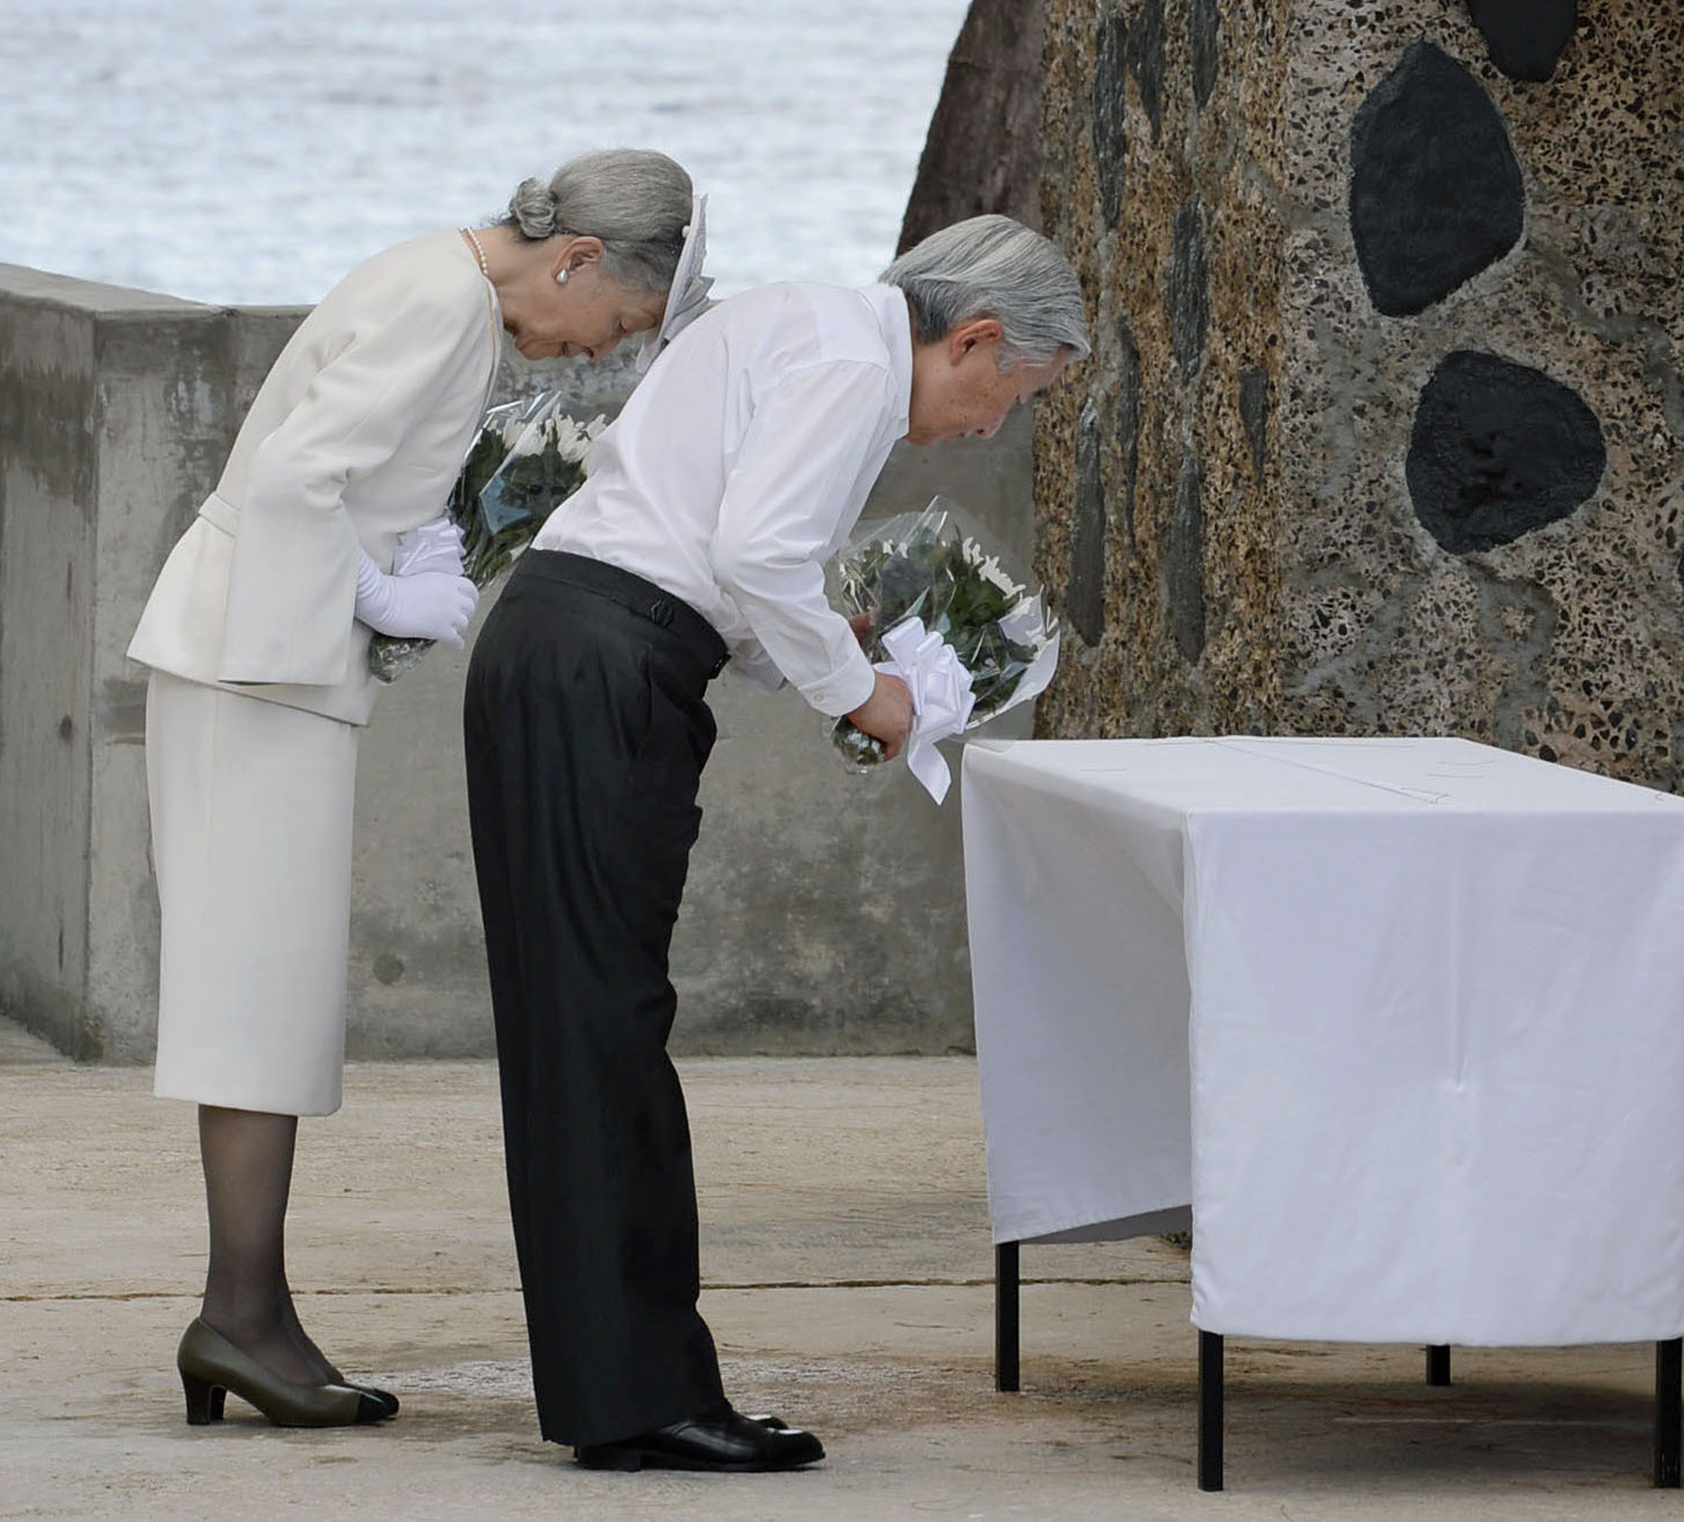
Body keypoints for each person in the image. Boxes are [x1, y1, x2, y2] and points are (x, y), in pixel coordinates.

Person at [461, 213, 1091, 1474]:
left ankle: (617, 1388)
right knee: (606, 1031)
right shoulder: (856, 364)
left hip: (557, 642)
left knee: (578, 1029)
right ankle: (641, 1397)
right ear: (968, 337)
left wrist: (829, 641)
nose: (990, 426)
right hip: (605, 665)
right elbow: (752, 552)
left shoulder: (794, 317)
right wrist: (865, 694)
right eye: (1009, 393)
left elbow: (723, 554)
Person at [125, 148, 701, 1429]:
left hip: (260, 663)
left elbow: (344, 472)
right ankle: (239, 1318)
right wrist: (382, 591)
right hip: (250, 667)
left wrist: (416, 541)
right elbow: (289, 481)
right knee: (253, 1002)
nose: (594, 353)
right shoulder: (441, 305)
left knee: (265, 1001)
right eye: (616, 323)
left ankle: (248, 1312)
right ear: (579, 260)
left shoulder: (437, 287)